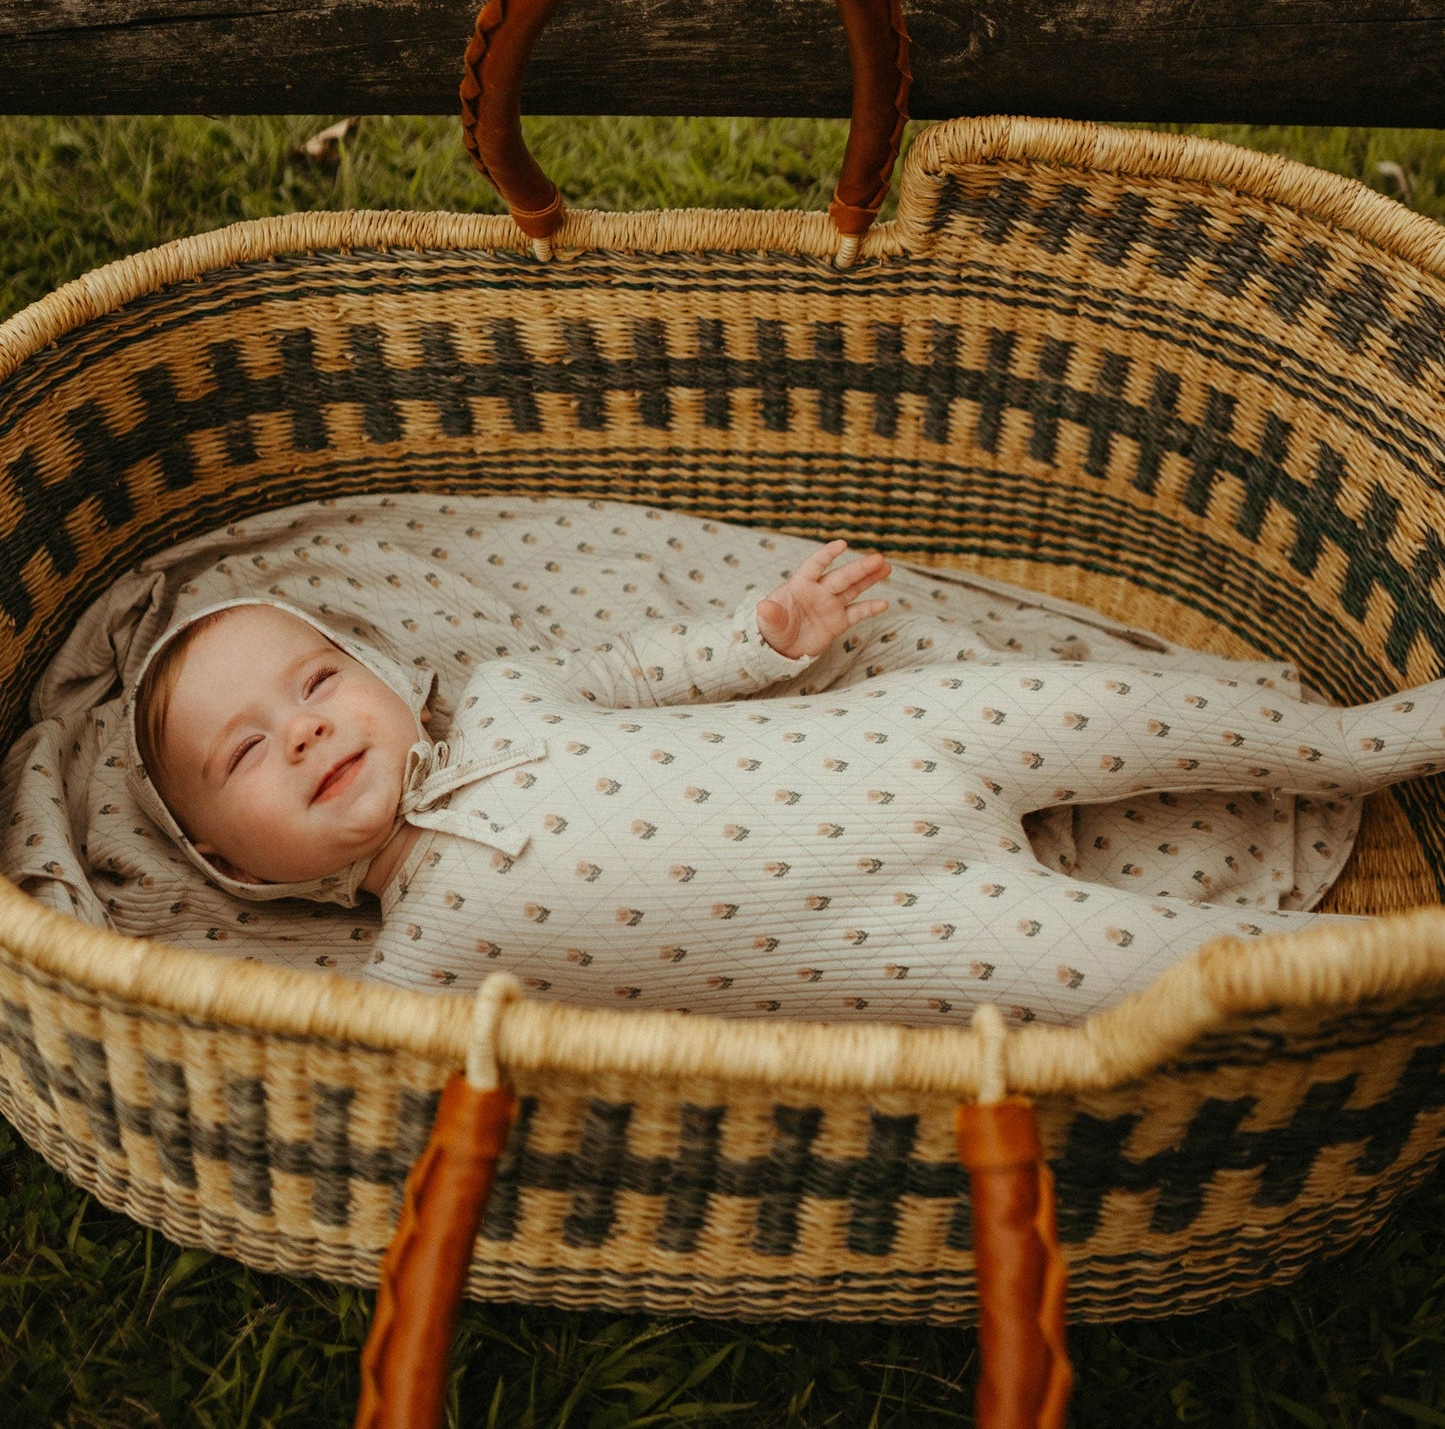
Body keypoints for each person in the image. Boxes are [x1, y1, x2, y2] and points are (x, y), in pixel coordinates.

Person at [122, 534, 1441, 1026]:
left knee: (1110, 712)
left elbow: (644, 668)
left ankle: (1367, 739)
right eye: (242, 754)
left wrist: (767, 633)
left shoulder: (508, 694)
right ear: (231, 869)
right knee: (1184, 975)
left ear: (390, 679)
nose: (300, 732)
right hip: (913, 940)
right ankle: (1385, 973)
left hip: (898, 742)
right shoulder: (416, 975)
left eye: (314, 684)